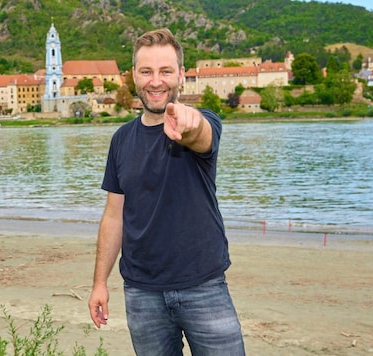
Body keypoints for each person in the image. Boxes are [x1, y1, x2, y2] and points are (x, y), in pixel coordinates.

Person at [88, 28, 245, 356]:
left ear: (181, 76)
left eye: (165, 71)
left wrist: (190, 123)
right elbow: (114, 216)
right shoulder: (121, 140)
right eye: (146, 71)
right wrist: (100, 282)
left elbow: (200, 136)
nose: (155, 81)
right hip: (142, 293)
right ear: (133, 76)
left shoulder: (205, 121)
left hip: (204, 287)